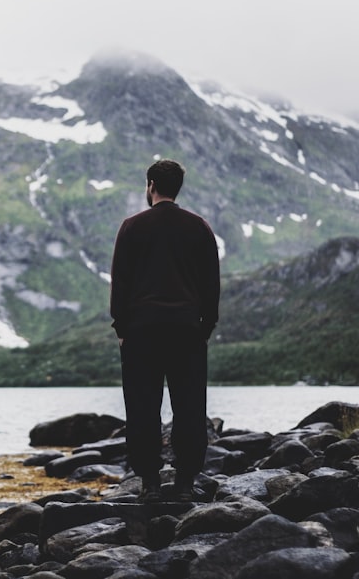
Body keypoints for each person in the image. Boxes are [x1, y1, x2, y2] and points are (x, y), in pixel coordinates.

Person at [109, 159, 220, 502]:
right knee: (189, 405)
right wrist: (205, 327)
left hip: (141, 332)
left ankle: (151, 484)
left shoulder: (132, 227)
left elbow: (121, 284)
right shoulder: (198, 227)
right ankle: (185, 483)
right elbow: (211, 285)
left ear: (151, 184)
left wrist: (121, 327)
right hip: (187, 331)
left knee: (143, 406)